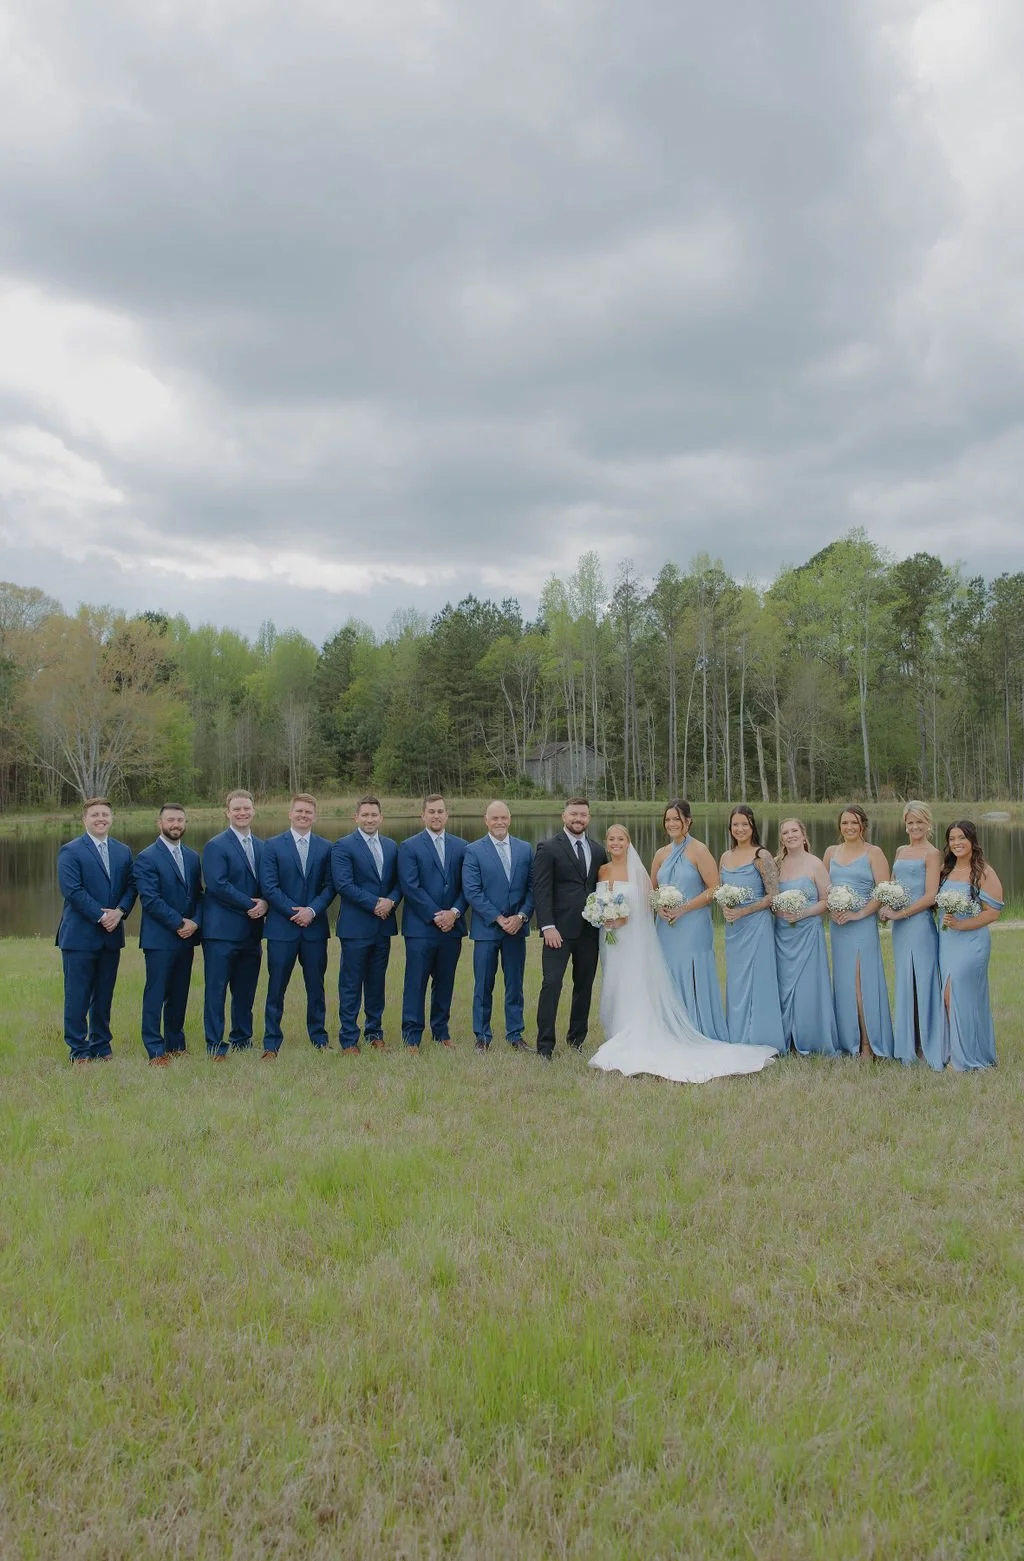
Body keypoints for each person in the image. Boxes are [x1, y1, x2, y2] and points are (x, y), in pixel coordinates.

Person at [589, 826, 776, 1082]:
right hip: (609, 939)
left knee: (634, 981)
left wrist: (625, 917)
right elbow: (647, 897)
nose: (615, 843)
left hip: (632, 937)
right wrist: (603, 915)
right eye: (611, 839)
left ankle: (638, 1030)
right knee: (613, 982)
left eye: (621, 838)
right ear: (605, 842)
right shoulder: (602, 870)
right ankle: (617, 1029)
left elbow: (645, 901)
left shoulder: (646, 868)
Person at [56, 797, 136, 1065]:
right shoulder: (71, 850)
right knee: (77, 996)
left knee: (103, 995)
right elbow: (73, 891)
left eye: (105, 814)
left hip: (111, 935)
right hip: (79, 936)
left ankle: (101, 1044)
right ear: (85, 820)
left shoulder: (123, 851)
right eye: (95, 815)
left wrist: (121, 911)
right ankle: (78, 1050)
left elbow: (131, 887)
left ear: (111, 818)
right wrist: (101, 915)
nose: (101, 818)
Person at [259, 794, 336, 1057]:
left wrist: (312, 911)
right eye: (299, 811)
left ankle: (319, 1038)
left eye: (308, 812)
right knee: (276, 987)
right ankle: (271, 1043)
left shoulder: (326, 847)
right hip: (282, 928)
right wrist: (296, 912)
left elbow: (330, 886)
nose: (303, 816)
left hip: (314, 929)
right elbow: (269, 886)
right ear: (290, 814)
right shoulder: (272, 845)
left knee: (316, 987)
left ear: (314, 816)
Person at [533, 797, 607, 1060]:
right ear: (564, 816)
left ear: (589, 818)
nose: (579, 819)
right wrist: (547, 926)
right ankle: (545, 1045)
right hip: (558, 932)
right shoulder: (548, 848)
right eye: (574, 814)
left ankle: (577, 1039)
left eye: (583, 815)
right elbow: (541, 891)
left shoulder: (597, 850)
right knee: (551, 984)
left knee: (584, 986)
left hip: (589, 931)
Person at [650, 799, 727, 1041]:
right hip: (665, 927)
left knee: (691, 973)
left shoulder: (699, 850)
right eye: (668, 819)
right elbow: (652, 890)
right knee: (668, 974)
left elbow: (714, 888)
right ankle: (670, 1030)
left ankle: (696, 1028)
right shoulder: (660, 854)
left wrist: (684, 908)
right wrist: (658, 906)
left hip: (693, 925)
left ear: (688, 821)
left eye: (677, 819)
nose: (672, 823)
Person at [133, 804, 203, 1066]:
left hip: (187, 937)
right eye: (170, 820)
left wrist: (195, 922)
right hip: (160, 938)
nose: (176, 824)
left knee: (179, 992)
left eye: (180, 820)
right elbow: (150, 899)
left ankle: (176, 1044)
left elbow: (198, 895)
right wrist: (178, 922)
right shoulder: (147, 857)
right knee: (156, 992)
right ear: (159, 823)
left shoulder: (192, 856)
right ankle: (155, 1049)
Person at [824, 805, 895, 1059]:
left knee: (860, 983)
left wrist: (859, 913)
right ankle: (849, 1041)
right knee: (843, 984)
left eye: (854, 823)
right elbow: (825, 888)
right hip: (839, 926)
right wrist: (831, 908)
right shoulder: (831, 852)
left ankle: (868, 1043)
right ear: (839, 826)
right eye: (845, 823)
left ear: (863, 825)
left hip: (862, 925)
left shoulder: (873, 852)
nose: (849, 828)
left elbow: (883, 891)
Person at [462, 801, 534, 1050]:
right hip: (487, 929)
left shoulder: (525, 849)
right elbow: (472, 891)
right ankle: (482, 1036)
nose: (499, 822)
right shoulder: (473, 851)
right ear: (486, 820)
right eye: (494, 818)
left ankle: (515, 1034)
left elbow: (532, 888)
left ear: (510, 819)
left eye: (503, 817)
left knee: (515, 984)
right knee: (483, 984)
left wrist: (522, 916)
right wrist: (498, 918)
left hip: (516, 929)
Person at [332, 795, 401, 1053]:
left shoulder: (392, 846)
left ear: (381, 818)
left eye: (374, 815)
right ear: (356, 817)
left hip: (383, 927)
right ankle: (349, 1038)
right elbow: (344, 884)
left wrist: (391, 902)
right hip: (355, 927)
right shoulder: (343, 846)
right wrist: (375, 903)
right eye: (365, 815)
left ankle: (375, 1033)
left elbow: (399, 883)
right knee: (351, 984)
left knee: (376, 982)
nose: (370, 819)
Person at [397, 795, 467, 1049]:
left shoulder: (461, 847)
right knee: (416, 982)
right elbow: (410, 887)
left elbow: (466, 887)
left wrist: (455, 913)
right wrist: (437, 915)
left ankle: (441, 1032)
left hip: (453, 927)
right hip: (421, 928)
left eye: (440, 811)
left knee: (445, 981)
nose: (436, 816)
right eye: (431, 812)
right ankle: (412, 1036)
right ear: (423, 816)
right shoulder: (409, 846)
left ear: (447, 815)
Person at [201, 790, 267, 1059]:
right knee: (216, 990)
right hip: (221, 932)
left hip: (252, 932)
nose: (242, 813)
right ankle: (215, 1044)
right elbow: (218, 885)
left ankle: (242, 1038)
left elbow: (268, 884)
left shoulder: (263, 847)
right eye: (237, 809)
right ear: (227, 812)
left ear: (253, 811)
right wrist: (252, 904)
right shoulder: (216, 845)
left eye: (246, 808)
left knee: (245, 990)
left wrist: (266, 903)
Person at [879, 801, 944, 1069]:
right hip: (900, 928)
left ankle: (926, 1045)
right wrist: (886, 903)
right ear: (904, 824)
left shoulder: (933, 853)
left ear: (929, 824)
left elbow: (930, 896)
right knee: (906, 981)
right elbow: (894, 884)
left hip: (918, 925)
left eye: (919, 822)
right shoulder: (900, 850)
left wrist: (900, 913)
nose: (914, 827)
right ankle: (907, 1044)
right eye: (910, 822)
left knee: (922, 981)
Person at [718, 806, 785, 1050]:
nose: (740, 829)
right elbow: (721, 890)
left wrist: (744, 910)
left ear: (752, 826)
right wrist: (726, 906)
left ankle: (762, 1036)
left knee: (759, 978)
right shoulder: (726, 856)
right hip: (734, 928)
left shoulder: (761, 855)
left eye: (744, 824)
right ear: (730, 828)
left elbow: (774, 895)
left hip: (757, 925)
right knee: (736, 980)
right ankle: (737, 1034)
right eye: (735, 825)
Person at [938, 820, 1003, 1071]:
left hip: (972, 941)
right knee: (948, 997)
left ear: (972, 841)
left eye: (961, 838)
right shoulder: (946, 870)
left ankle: (962, 1059)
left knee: (955, 994)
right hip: (947, 941)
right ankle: (959, 1050)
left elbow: (994, 912)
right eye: (952, 839)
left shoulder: (984, 871)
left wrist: (963, 925)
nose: (956, 843)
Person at [772, 818, 839, 1056]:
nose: (789, 836)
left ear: (803, 834)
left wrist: (803, 913)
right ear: (781, 838)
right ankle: (785, 1037)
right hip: (782, 935)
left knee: (807, 986)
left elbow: (826, 901)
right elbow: (771, 897)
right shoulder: (777, 864)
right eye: (785, 832)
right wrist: (780, 911)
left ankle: (810, 1037)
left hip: (808, 933)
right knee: (783, 985)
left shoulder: (815, 864)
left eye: (793, 831)